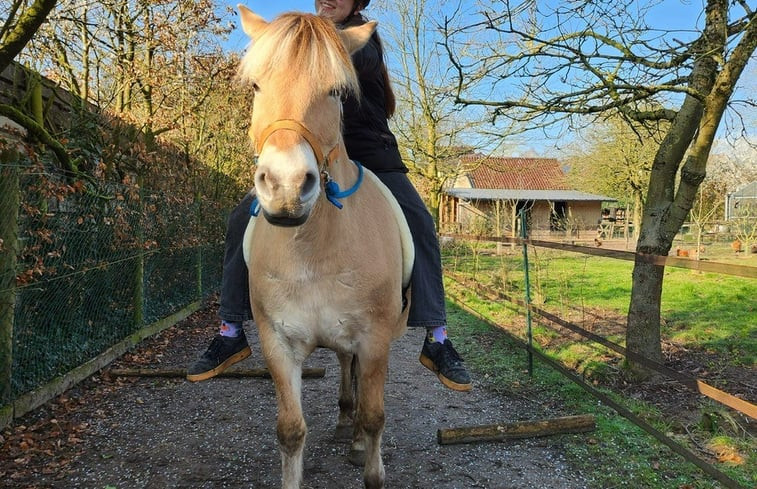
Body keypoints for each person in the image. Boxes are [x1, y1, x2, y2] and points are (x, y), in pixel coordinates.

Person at [187, 0, 472, 392]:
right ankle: (230, 328)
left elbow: (352, 58)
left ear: (357, 2)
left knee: (419, 221)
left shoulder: (361, 42)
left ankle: (436, 336)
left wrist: (293, 45)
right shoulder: (307, 40)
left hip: (370, 152)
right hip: (311, 150)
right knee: (241, 217)